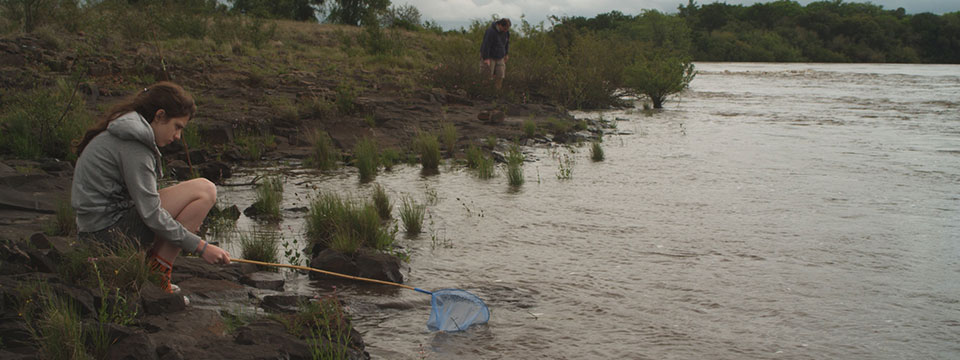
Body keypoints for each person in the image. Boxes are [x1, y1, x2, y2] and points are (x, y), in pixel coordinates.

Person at [72, 81, 230, 294]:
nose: (177, 137)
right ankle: (158, 277)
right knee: (205, 190)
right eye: (177, 127)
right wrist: (201, 247)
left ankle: (151, 267)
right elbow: (151, 214)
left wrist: (183, 225)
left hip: (96, 229)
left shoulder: (127, 131)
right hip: (105, 236)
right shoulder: (134, 144)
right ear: (160, 116)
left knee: (198, 192)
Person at [480, 17, 511, 90]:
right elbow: (486, 45)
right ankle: (485, 91)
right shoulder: (490, 31)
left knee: (500, 75)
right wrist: (486, 58)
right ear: (500, 25)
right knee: (487, 76)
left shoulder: (506, 33)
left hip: (500, 56)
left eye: (507, 29)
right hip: (489, 56)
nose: (505, 30)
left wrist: (506, 54)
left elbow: (506, 44)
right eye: (505, 28)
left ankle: (497, 92)